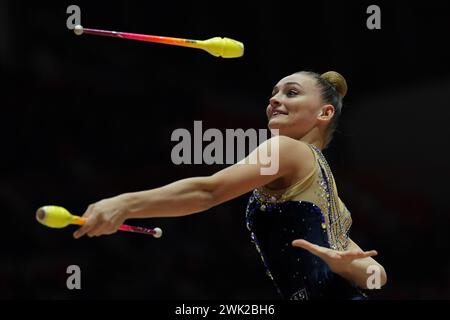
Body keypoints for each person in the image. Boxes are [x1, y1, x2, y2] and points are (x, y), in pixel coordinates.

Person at [73, 70, 387, 300]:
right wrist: (340, 265)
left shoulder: (286, 149)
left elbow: (208, 191)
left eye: (291, 92)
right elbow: (377, 277)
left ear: (325, 112)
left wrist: (124, 204)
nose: (275, 99)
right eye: (273, 94)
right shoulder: (326, 189)